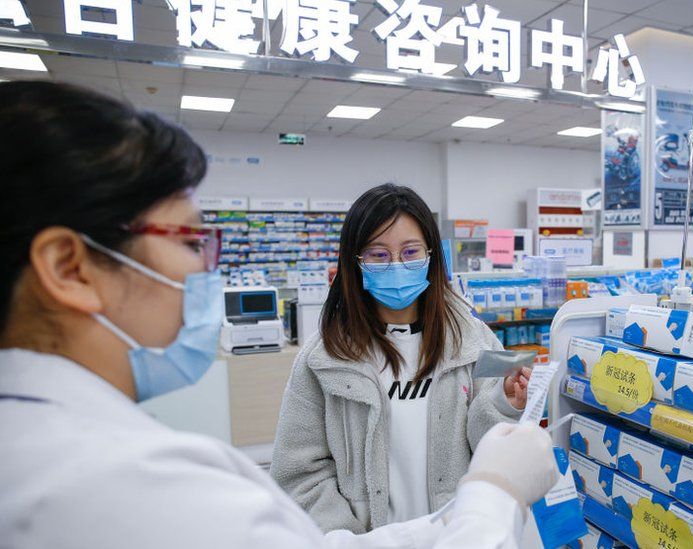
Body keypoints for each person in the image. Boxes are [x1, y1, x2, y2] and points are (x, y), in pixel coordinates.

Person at [0, 81, 558, 549]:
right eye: (190, 240)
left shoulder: (58, 450)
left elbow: (482, 419)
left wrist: (498, 426)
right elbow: (306, 481)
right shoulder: (135, 487)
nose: (205, 269)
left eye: (411, 252)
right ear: (69, 267)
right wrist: (493, 495)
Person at [272, 183, 534, 533]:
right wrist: (355, 542)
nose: (396, 264)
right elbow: (298, 475)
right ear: (356, 262)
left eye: (410, 252)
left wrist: (507, 404)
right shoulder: (322, 357)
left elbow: (494, 451)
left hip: (458, 537)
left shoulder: (477, 337)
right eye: (378, 255)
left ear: (430, 255)